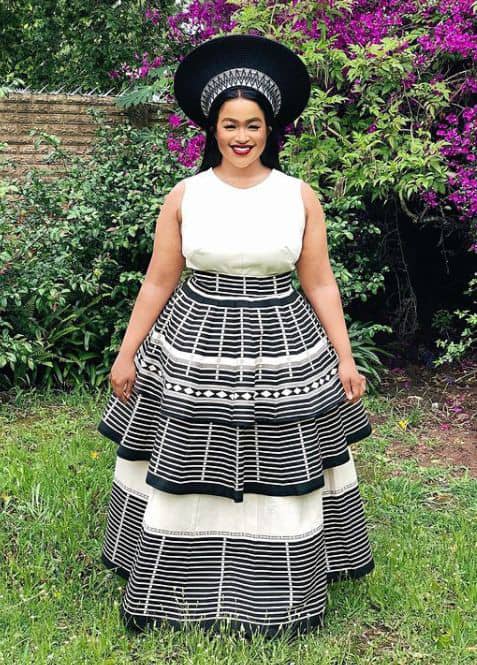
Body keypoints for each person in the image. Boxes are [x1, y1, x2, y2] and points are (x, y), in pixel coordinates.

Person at [97, 33, 375, 640]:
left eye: (253, 124)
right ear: (212, 129)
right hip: (192, 343)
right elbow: (159, 279)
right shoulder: (186, 196)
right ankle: (179, 587)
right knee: (188, 459)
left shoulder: (298, 196)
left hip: (284, 343)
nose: (242, 136)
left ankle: (276, 591)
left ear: (270, 129)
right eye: (230, 125)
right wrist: (127, 354)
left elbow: (320, 282)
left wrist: (346, 359)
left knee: (280, 462)